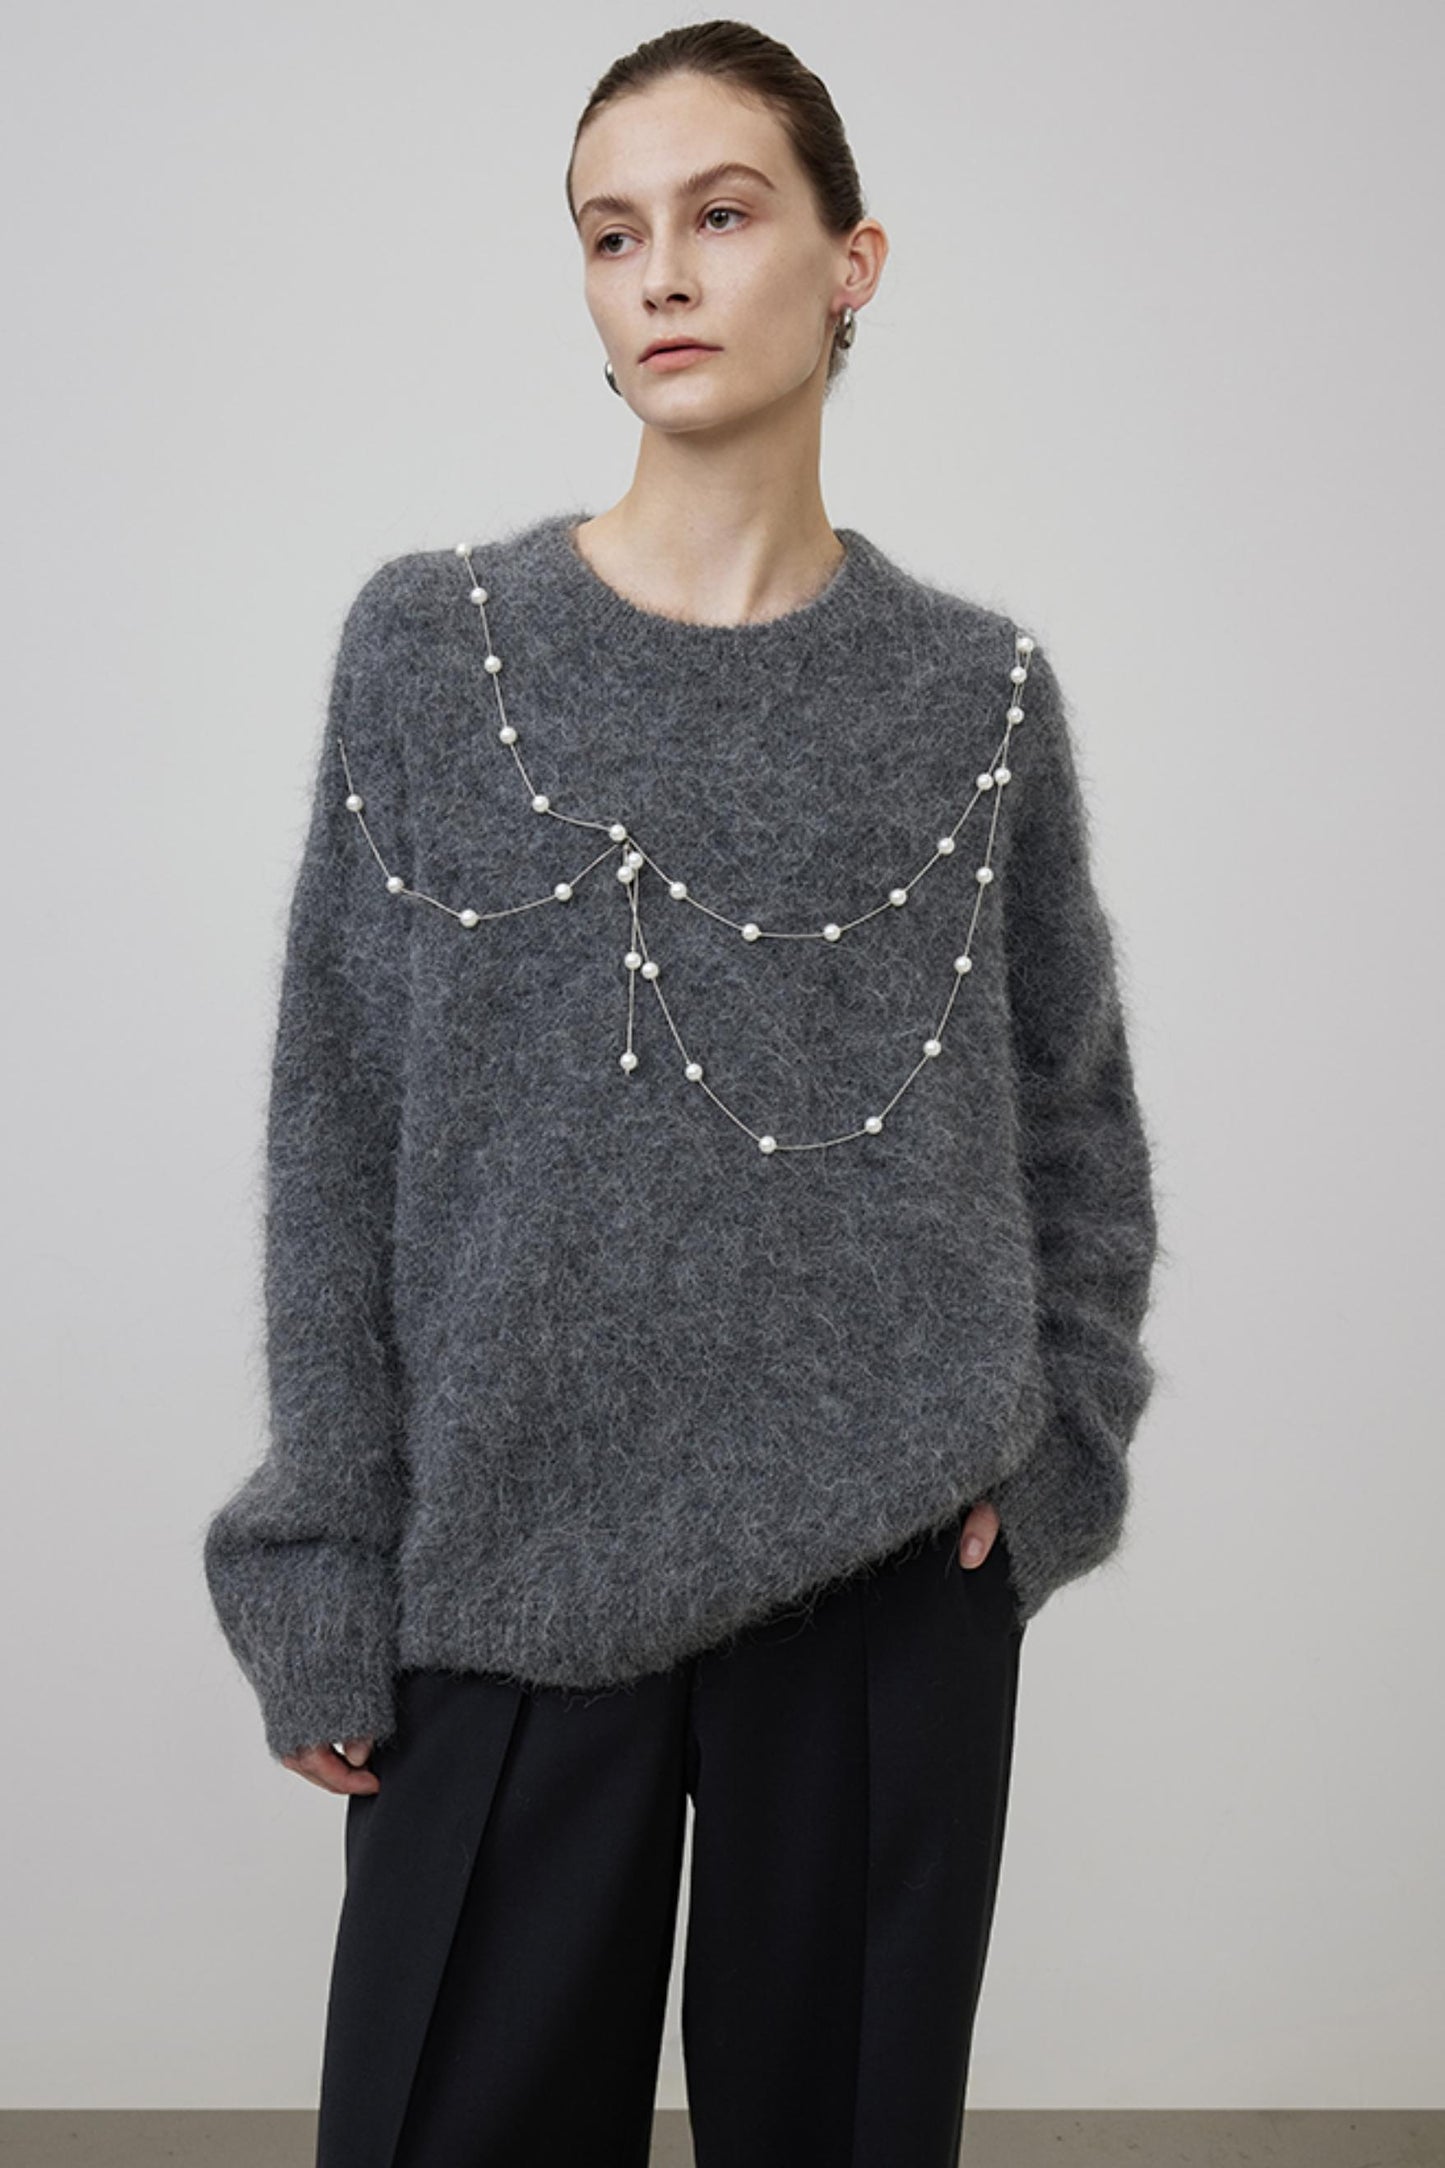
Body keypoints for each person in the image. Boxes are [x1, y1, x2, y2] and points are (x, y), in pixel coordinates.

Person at [202, 20, 1160, 2166]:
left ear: (850, 262)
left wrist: (1058, 1447)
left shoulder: (976, 696)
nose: (660, 273)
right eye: (609, 231)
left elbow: (1073, 1121)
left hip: (884, 1559)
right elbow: (334, 1126)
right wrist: (327, 1554)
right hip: (506, 1555)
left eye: (721, 215)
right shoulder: (433, 650)